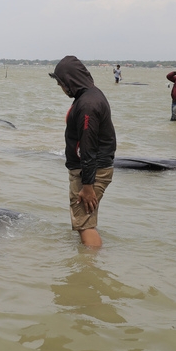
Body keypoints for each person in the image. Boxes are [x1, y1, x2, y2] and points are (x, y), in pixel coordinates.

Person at [49, 56, 116, 248]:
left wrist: (87, 186)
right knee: (85, 221)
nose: (61, 88)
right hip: (92, 168)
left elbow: (88, 146)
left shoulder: (87, 104)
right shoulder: (89, 96)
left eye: (61, 83)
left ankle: (90, 271)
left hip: (90, 171)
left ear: (70, 82)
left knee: (84, 224)